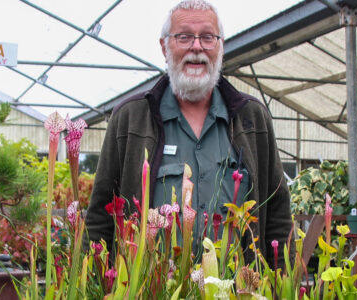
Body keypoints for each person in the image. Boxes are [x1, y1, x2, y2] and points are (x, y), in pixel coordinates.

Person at [85, 0, 293, 266]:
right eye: (184, 37)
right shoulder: (130, 118)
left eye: (208, 37)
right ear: (164, 46)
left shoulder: (252, 118)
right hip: (151, 291)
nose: (197, 47)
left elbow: (277, 215)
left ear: (220, 46)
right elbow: (100, 217)